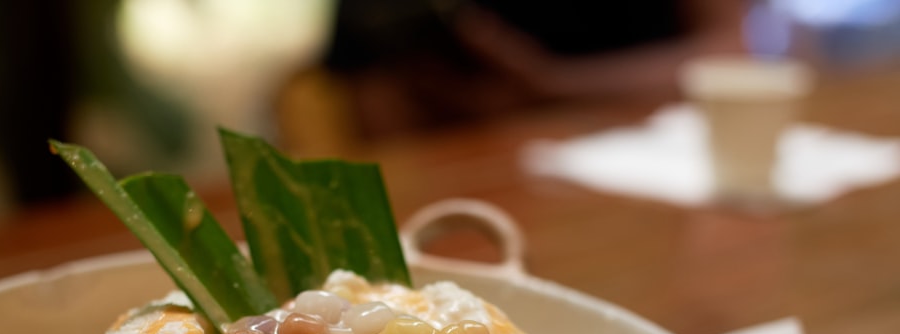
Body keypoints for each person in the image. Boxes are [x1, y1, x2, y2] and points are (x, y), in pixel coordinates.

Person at [318, 0, 746, 139]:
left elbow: (733, 48)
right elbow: (367, 97)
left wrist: (554, 85)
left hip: (643, 154)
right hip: (462, 159)